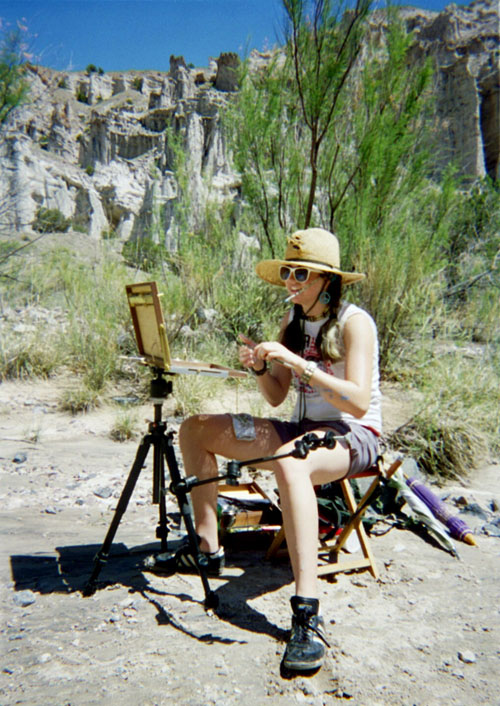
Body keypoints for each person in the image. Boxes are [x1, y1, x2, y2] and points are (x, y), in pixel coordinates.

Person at [156, 228, 382, 672]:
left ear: (327, 281)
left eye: (301, 273)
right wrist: (262, 368)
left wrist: (300, 364)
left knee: (293, 463)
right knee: (195, 429)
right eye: (286, 272)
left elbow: (356, 400)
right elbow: (277, 397)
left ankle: (306, 613)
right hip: (298, 428)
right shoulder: (292, 324)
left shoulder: (356, 322)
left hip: (353, 434)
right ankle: (207, 546)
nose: (290, 281)